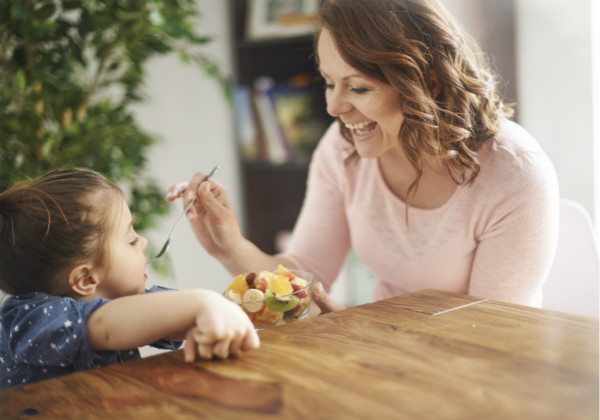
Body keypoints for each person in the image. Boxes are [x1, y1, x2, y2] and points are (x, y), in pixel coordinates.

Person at [167, 0, 559, 312]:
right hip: (384, 361)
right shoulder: (342, 150)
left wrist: (361, 337)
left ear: (428, 83)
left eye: (358, 88)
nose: (334, 107)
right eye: (329, 82)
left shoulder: (514, 175)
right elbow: (305, 280)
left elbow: (490, 335)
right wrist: (228, 245)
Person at [0, 168, 259, 389]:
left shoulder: (123, 302)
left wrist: (231, 309)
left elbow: (170, 317)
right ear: (86, 279)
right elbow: (106, 325)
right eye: (132, 239)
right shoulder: (28, 320)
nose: (143, 241)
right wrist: (203, 303)